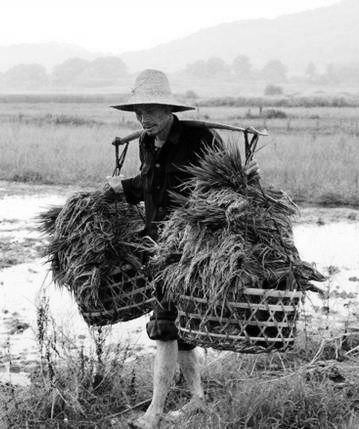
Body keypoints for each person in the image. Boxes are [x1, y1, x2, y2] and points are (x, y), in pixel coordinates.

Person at [107, 69, 224, 428]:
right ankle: (198, 401)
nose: (145, 120)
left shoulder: (200, 139)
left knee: (164, 328)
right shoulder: (145, 141)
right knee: (181, 330)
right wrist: (121, 188)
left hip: (190, 248)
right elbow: (148, 182)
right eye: (139, 113)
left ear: (169, 110)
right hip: (158, 247)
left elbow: (221, 186)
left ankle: (154, 413)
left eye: (152, 112)